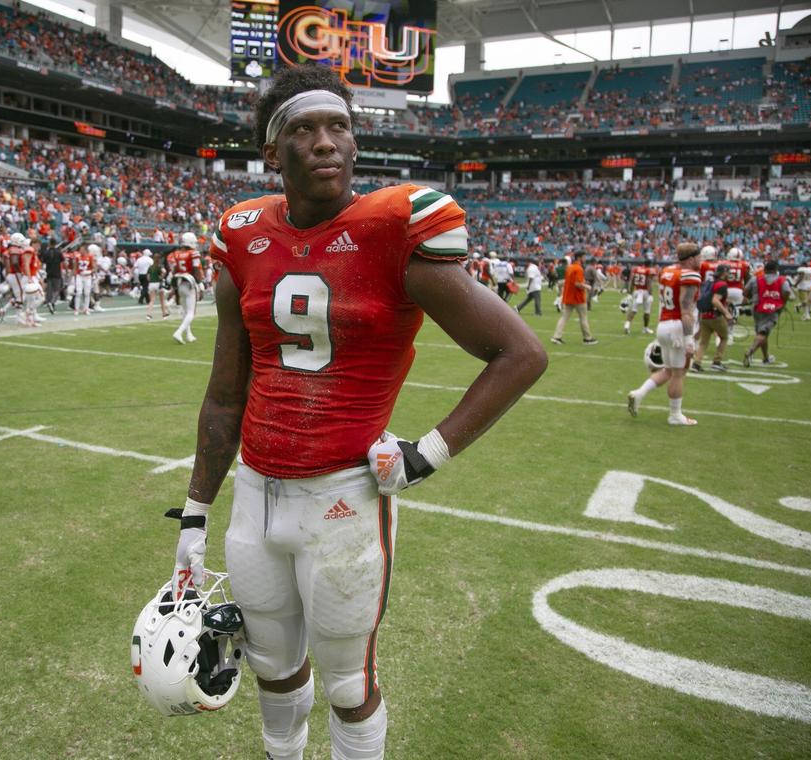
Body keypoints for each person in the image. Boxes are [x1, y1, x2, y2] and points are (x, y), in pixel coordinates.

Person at [167, 64, 546, 760]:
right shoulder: (243, 234)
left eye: (338, 126)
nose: (326, 143)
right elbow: (225, 393)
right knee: (272, 672)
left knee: (349, 683)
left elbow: (519, 353)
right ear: (271, 152)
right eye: (304, 130)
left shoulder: (395, 227)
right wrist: (196, 510)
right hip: (255, 498)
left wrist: (427, 452)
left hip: (344, 501)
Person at [627, 242, 702, 426]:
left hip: (664, 324)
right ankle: (675, 415)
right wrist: (689, 340)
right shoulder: (689, 274)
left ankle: (639, 394)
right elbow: (686, 310)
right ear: (691, 258)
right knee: (678, 373)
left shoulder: (668, 271)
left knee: (668, 370)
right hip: (678, 327)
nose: (701, 260)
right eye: (699, 257)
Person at [742, 258, 791, 367]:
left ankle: (766, 358)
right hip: (773, 309)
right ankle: (750, 351)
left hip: (757, 308)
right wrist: (783, 302)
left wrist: (751, 298)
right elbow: (787, 291)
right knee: (763, 333)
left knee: (762, 332)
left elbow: (745, 292)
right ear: (776, 269)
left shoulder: (756, 279)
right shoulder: (782, 279)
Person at [692, 263, 732, 373]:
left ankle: (696, 363)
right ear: (724, 273)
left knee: (703, 342)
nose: (729, 274)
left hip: (704, 315)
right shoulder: (722, 284)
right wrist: (726, 313)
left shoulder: (708, 283)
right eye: (728, 272)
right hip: (715, 316)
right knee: (724, 337)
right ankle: (717, 362)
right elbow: (715, 300)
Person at [550, 250, 596, 345]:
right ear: (579, 258)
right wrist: (587, 286)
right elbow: (577, 284)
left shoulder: (570, 267)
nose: (585, 259)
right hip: (577, 297)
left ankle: (556, 337)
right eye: (584, 257)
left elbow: (572, 281)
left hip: (568, 296)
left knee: (564, 317)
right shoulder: (578, 268)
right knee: (583, 317)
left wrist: (583, 283)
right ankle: (587, 338)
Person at [168, 232, 204, 344]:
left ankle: (189, 335)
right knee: (190, 313)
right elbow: (196, 269)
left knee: (185, 311)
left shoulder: (175, 254)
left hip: (179, 282)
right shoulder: (193, 253)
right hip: (189, 283)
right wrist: (200, 283)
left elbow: (174, 271)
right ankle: (178, 332)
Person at [623, 256, 657, 336]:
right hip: (645, 292)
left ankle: (627, 325)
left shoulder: (636, 269)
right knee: (647, 311)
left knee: (633, 310)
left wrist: (630, 293)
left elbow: (632, 281)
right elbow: (649, 282)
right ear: (650, 264)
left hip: (637, 291)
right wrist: (651, 294)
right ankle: (645, 328)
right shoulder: (649, 270)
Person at [145, 252, 170, 320]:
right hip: (158, 284)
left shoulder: (150, 267)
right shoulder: (159, 266)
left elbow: (148, 277)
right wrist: (161, 277)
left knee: (152, 300)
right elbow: (164, 272)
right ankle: (164, 314)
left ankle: (148, 314)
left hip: (151, 284)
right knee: (162, 300)